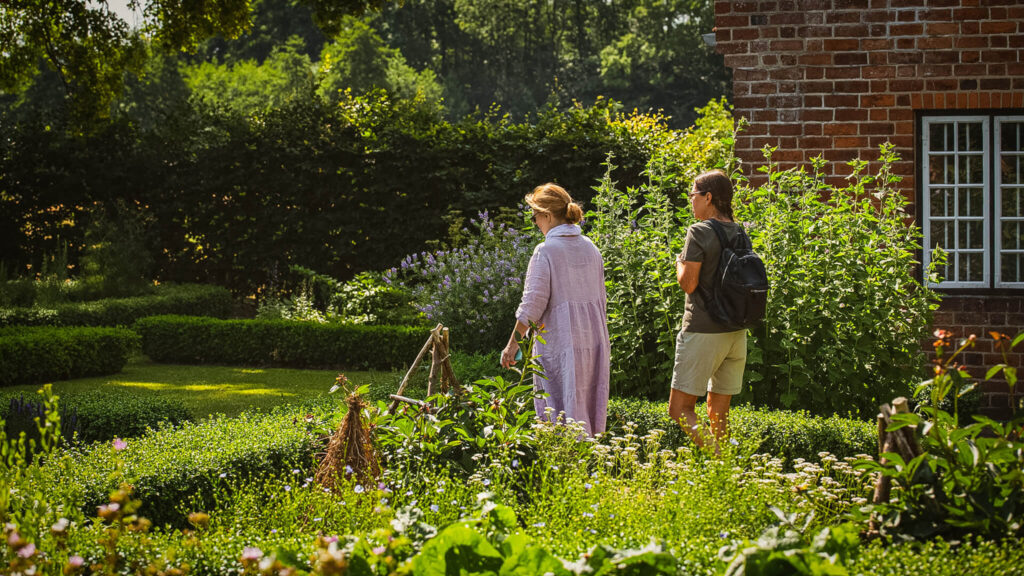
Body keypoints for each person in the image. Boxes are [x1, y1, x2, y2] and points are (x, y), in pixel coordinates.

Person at [500, 183, 610, 436]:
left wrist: (512, 346)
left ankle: (563, 465)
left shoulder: (546, 251)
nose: (535, 221)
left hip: (560, 341)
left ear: (547, 215)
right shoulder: (591, 248)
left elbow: (532, 305)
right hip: (593, 342)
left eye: (535, 215)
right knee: (585, 405)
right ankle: (588, 462)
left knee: (558, 411)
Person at [669, 169, 747, 451]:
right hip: (736, 332)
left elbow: (689, 284)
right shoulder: (740, 231)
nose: (691, 201)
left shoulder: (699, 231)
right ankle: (726, 469)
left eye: (693, 194)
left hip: (703, 329)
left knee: (679, 409)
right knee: (718, 411)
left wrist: (679, 261)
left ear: (708, 197)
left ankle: (721, 464)